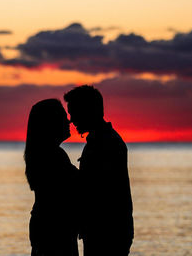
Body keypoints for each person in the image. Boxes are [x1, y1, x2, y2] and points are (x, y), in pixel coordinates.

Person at [64, 85, 134, 256]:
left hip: (107, 233)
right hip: (106, 231)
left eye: (74, 113)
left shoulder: (105, 143)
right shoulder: (102, 140)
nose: (71, 120)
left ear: (88, 110)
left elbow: (98, 190)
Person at [24, 99, 80, 256]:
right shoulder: (52, 155)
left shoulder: (43, 154)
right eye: (63, 117)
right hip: (54, 229)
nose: (68, 121)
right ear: (50, 123)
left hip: (47, 226)